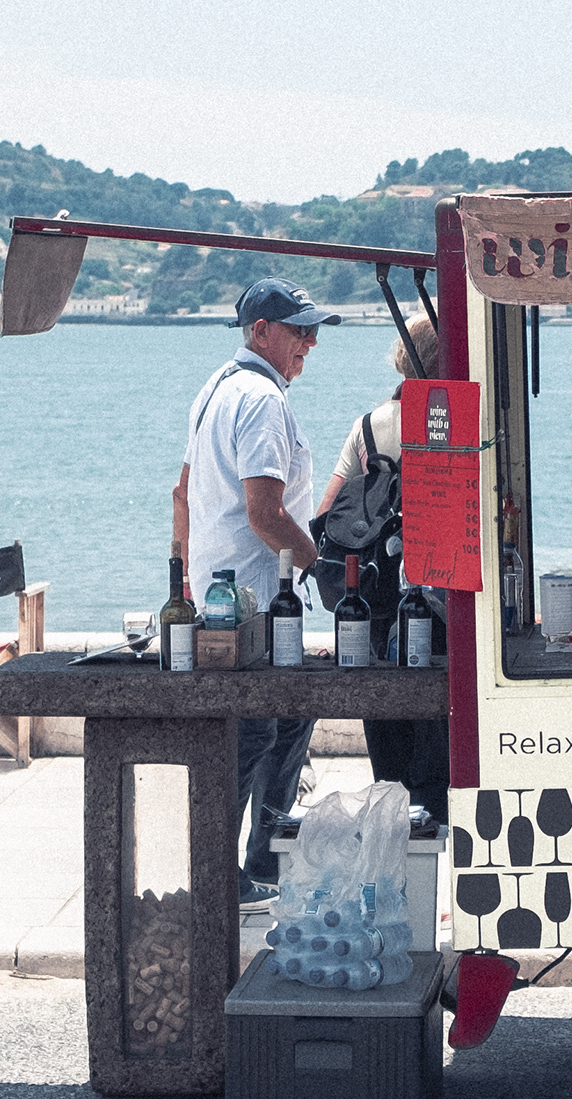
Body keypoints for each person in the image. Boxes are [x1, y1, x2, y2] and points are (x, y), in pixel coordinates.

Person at [174, 278, 335, 892]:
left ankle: (260, 860)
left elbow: (182, 494)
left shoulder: (215, 387)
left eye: (313, 331)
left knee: (287, 715)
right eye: (300, 330)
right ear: (261, 331)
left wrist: (187, 582)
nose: (310, 343)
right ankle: (225, 873)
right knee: (256, 729)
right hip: (257, 598)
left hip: (220, 593)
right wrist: (320, 566)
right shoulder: (264, 399)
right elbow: (265, 513)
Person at [319, 316, 451, 823]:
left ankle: (391, 847)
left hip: (374, 602)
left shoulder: (367, 426)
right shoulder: (449, 420)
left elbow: (328, 515)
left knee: (388, 755)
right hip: (435, 600)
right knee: (435, 750)